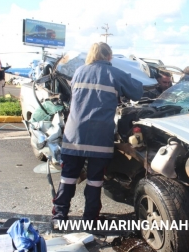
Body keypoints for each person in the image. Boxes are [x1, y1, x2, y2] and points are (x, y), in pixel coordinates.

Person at [51, 42, 143, 229]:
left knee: (68, 177)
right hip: (99, 136)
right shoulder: (115, 73)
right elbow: (137, 92)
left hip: (74, 134)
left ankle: (59, 217)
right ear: (109, 56)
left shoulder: (79, 72)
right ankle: (90, 220)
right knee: (94, 181)